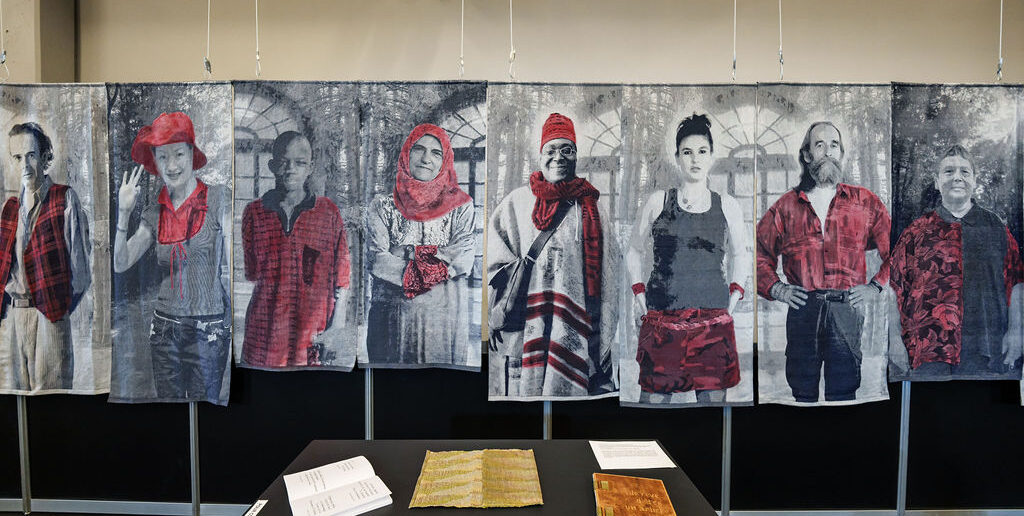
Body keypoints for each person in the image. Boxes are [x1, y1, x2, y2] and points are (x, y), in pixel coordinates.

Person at [755, 121, 891, 402]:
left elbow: (899, 253)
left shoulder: (865, 202)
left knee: (843, 393)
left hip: (847, 308)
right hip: (804, 308)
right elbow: (757, 255)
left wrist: (875, 287)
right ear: (807, 155)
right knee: (802, 393)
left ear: (841, 153)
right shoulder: (786, 206)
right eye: (819, 145)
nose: (828, 151)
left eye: (834, 145)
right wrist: (778, 289)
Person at [488, 112, 618, 398]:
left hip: (574, 333)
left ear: (576, 157)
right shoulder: (515, 204)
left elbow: (611, 276)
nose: (558, 157)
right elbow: (494, 267)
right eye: (551, 149)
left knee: (568, 417)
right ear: (540, 156)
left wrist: (604, 336)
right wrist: (497, 309)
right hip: (527, 330)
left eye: (566, 149)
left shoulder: (594, 210)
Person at [624, 113, 749, 402]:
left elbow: (741, 254)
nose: (695, 159)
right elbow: (633, 250)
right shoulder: (658, 201)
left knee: (711, 413)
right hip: (662, 321)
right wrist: (639, 296)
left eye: (702, 152)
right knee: (652, 409)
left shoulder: (727, 205)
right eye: (687, 152)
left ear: (712, 156)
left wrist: (732, 300)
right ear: (677, 156)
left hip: (712, 322)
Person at [114, 112, 232, 403]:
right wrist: (124, 212)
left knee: (207, 413)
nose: (172, 165)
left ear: (192, 154)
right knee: (172, 414)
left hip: (211, 329)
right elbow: (121, 262)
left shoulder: (219, 199)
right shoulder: (153, 215)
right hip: (166, 331)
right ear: (155, 162)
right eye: (162, 157)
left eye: (178, 153)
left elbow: (235, 261)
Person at [889, 144, 1024, 377]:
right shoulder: (916, 232)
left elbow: (1017, 282)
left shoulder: (995, 228)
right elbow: (893, 287)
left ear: (974, 180)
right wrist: (893, 340)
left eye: (964, 172)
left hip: (986, 352)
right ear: (937, 180)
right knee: (929, 412)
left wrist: (1016, 332)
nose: (957, 178)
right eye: (949, 172)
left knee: (980, 411)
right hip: (926, 353)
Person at [365, 123, 476, 367]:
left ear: (445, 160)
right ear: (406, 154)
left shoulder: (461, 206)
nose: (426, 158)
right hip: (393, 315)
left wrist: (407, 251)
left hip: (444, 314)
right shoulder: (382, 207)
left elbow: (464, 255)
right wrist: (439, 257)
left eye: (436, 153)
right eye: (419, 149)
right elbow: (378, 260)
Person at [241, 131, 351, 368]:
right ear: (272, 166)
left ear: (310, 167)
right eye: (284, 162)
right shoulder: (254, 213)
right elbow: (252, 273)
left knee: (309, 392)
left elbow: (342, 279)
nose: (291, 169)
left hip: (313, 330)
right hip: (265, 330)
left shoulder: (328, 212)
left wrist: (336, 325)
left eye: (300, 163)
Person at [0, 122, 91, 392]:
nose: (25, 165)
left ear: (44, 156)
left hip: (50, 317)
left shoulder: (65, 199)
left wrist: (57, 309)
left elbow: (81, 275)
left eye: (31, 155)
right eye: (18, 158)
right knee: (16, 401)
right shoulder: (10, 209)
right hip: (15, 319)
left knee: (52, 402)